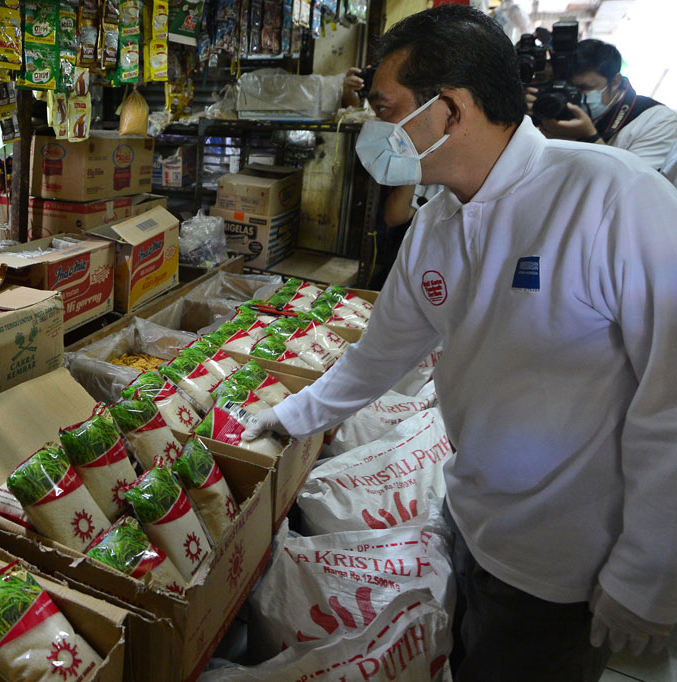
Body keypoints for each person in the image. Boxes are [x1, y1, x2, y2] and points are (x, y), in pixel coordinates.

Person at [244, 5, 677, 680]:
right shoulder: (437, 225)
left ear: (448, 108)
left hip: (567, 561)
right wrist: (288, 418)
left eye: (386, 109)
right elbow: (380, 354)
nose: (375, 129)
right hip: (470, 518)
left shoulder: (614, 202)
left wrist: (647, 572)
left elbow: (670, 403)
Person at [532, 38, 677, 170]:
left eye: (585, 88)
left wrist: (589, 137)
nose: (575, 95)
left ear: (615, 82)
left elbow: (638, 187)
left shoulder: (659, 121)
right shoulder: (556, 111)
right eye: (569, 89)